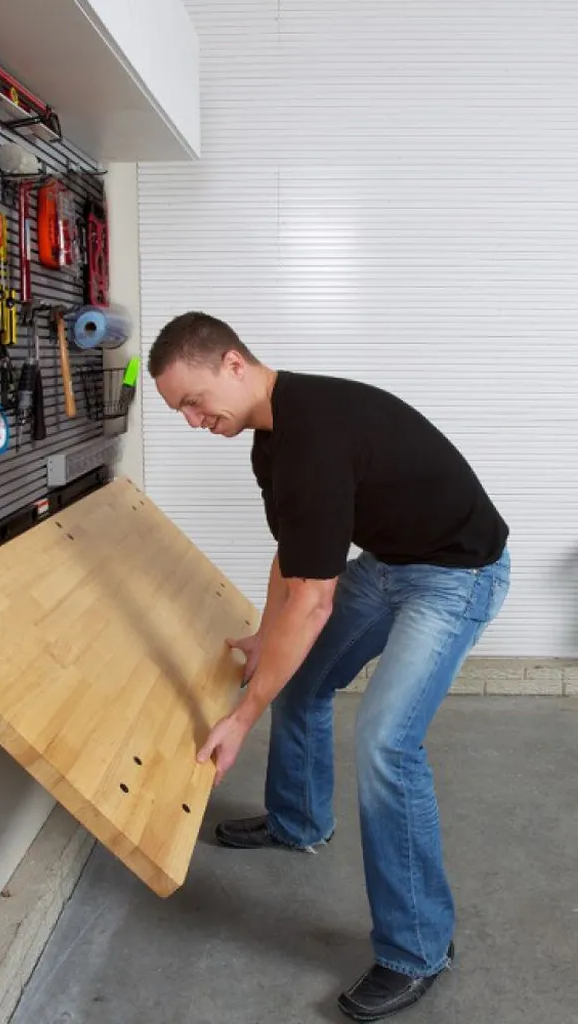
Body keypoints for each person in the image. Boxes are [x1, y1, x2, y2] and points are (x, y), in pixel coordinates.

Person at [147, 311, 510, 1022]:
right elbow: (295, 556)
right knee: (302, 679)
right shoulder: (269, 442)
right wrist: (263, 633)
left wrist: (243, 713)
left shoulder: (314, 435)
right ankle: (299, 819)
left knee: (385, 742)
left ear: (231, 365)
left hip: (456, 574)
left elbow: (312, 602)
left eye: (192, 401)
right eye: (177, 413)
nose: (191, 421)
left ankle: (417, 950)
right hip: (388, 564)